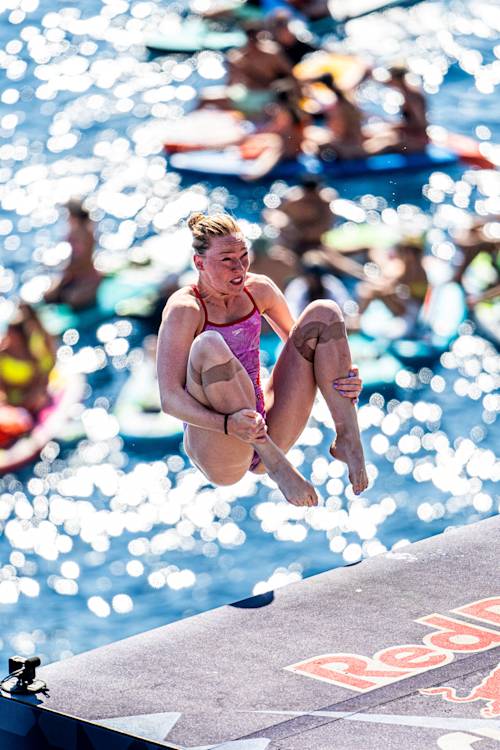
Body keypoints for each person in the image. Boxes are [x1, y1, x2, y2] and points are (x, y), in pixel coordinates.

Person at [157, 213, 367, 507]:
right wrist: (229, 424)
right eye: (227, 259)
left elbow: (307, 349)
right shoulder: (185, 309)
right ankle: (278, 467)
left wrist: (343, 376)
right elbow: (170, 400)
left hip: (265, 421)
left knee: (325, 312)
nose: (239, 267)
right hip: (220, 441)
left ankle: (349, 440)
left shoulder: (259, 290)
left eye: (243, 256)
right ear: (199, 264)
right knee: (208, 344)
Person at [357, 237, 429, 326]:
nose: (409, 255)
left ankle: (357, 318)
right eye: (405, 251)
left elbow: (391, 285)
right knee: (371, 289)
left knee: (374, 290)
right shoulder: (401, 267)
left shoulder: (419, 271)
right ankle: (358, 318)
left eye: (414, 252)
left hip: (412, 311)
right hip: (403, 306)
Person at [44, 200, 101, 310]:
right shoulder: (73, 231)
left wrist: (68, 271)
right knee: (48, 296)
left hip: (87, 277)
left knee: (72, 300)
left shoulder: (87, 234)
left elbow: (84, 262)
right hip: (73, 275)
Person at [0, 303, 56, 416]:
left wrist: (38, 392)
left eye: (9, 334)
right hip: (17, 403)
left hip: (41, 395)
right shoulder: (3, 354)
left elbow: (47, 369)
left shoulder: (38, 347)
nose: (6, 338)